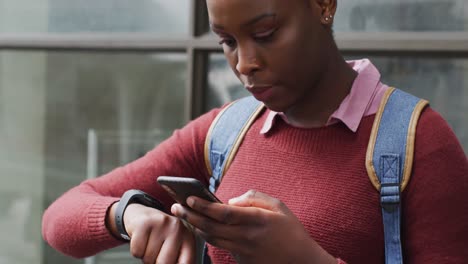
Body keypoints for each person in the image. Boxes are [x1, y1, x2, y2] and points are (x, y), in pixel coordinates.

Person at [42, 0, 468, 263]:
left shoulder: (416, 142)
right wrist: (129, 215)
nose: (244, 63)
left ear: (323, 4)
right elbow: (61, 220)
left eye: (265, 34)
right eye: (227, 41)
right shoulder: (226, 131)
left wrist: (305, 262)